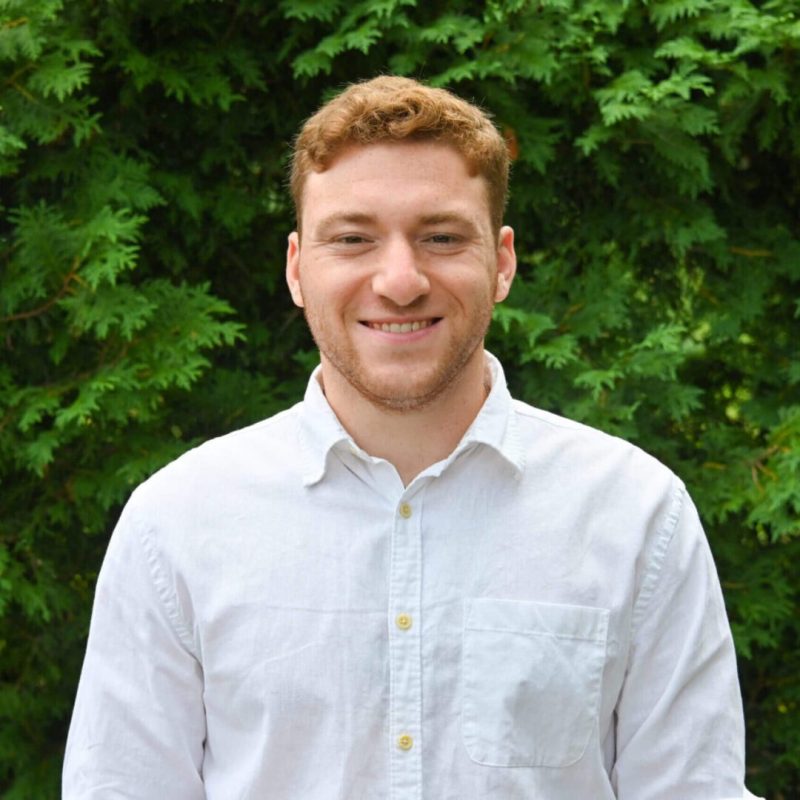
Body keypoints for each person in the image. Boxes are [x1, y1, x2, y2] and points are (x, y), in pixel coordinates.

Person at [63, 76, 759, 800]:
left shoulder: (636, 515)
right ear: (299, 268)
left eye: (442, 237)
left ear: (503, 262)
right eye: (354, 238)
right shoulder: (176, 524)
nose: (399, 280)